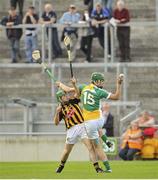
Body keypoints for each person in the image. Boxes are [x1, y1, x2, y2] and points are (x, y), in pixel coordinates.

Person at [54, 78, 104, 173]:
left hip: (82, 127)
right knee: (66, 151)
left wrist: (74, 84)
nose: (66, 96)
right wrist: (57, 113)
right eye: (64, 96)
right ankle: (61, 165)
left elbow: (78, 93)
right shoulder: (60, 109)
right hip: (71, 130)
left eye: (66, 95)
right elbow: (56, 123)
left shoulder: (73, 101)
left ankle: (97, 168)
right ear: (60, 99)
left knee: (90, 147)